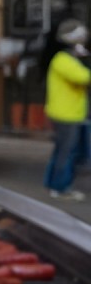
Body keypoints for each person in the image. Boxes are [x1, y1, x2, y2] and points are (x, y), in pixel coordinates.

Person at [43, 18, 90, 200]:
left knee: (61, 150)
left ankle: (52, 184)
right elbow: (84, 77)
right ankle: (61, 188)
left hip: (69, 113)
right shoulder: (63, 60)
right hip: (66, 115)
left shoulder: (68, 58)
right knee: (67, 152)